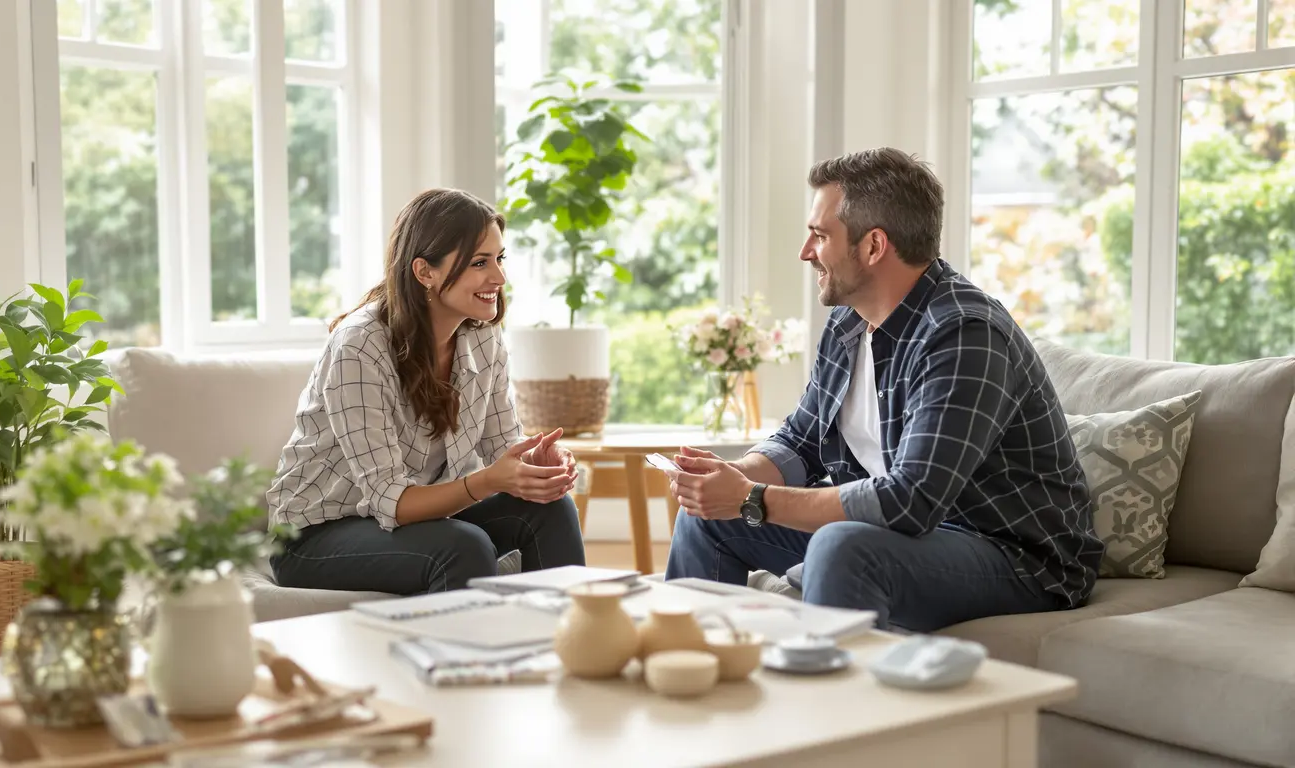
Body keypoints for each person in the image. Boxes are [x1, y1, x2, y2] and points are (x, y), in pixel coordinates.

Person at [664, 148, 1103, 632]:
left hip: (1016, 557)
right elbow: (801, 440)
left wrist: (752, 497)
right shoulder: (849, 321)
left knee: (841, 545)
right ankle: (692, 672)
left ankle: (829, 705)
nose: (805, 252)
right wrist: (730, 477)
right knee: (706, 516)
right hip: (906, 536)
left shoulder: (964, 335)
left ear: (873, 246)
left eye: (820, 235)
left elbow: (910, 500)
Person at [267, 188, 586, 594]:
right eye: (479, 262)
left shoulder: (484, 336)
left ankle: (573, 644)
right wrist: (489, 481)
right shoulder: (360, 345)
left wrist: (535, 464)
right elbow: (390, 499)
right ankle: (467, 660)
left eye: (499, 258)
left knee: (551, 509)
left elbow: (503, 445)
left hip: (410, 523)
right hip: (314, 537)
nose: (499, 277)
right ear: (425, 271)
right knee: (462, 546)